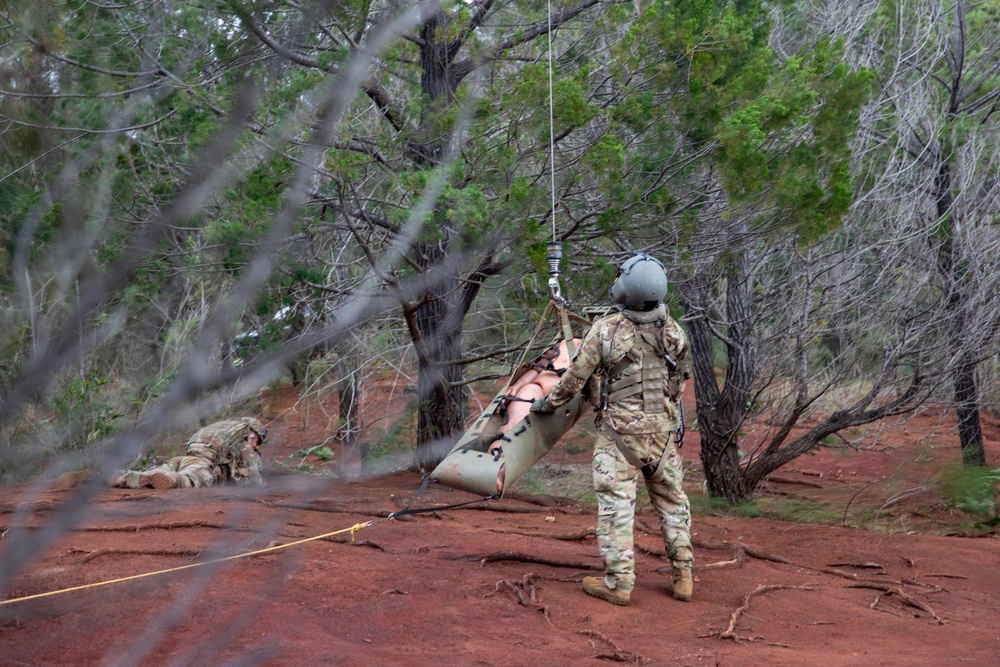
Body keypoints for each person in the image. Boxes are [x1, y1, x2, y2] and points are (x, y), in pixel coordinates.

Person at [531, 252, 692, 606]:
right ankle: (683, 576)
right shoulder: (675, 333)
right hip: (662, 437)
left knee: (617, 507)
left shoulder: (606, 330)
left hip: (619, 438)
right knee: (672, 503)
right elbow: (677, 385)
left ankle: (619, 583)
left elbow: (575, 379)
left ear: (627, 289)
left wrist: (548, 404)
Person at [109, 417, 267, 489]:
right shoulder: (242, 445)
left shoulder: (221, 431)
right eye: (255, 439)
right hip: (203, 466)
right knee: (187, 479)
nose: (254, 444)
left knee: (153, 473)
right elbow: (254, 478)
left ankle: (119, 476)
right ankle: (169, 479)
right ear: (250, 433)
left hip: (183, 458)